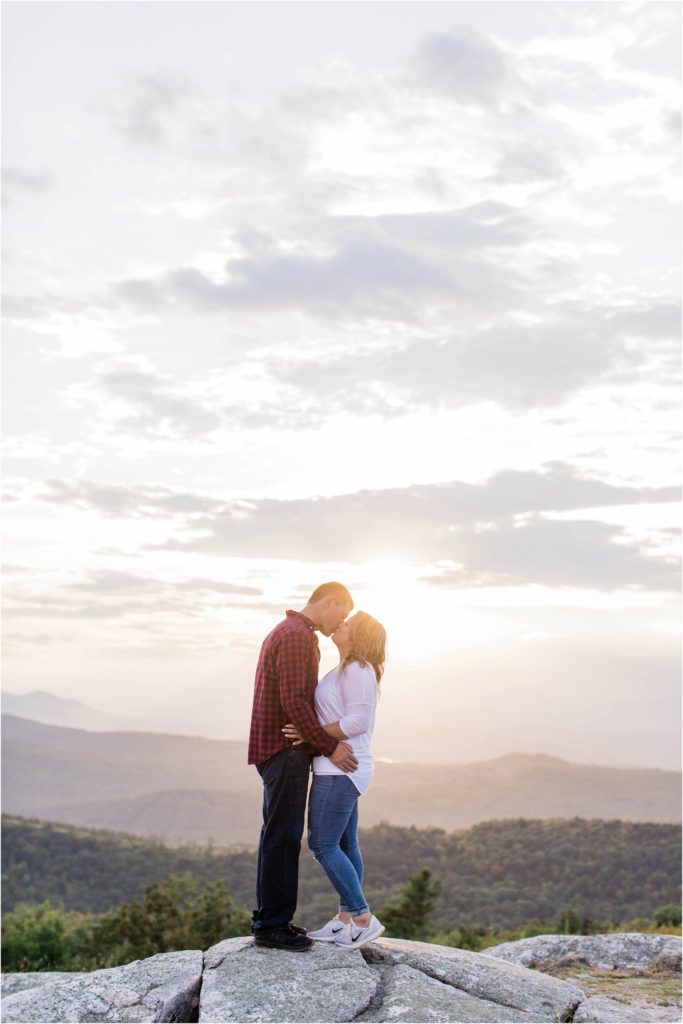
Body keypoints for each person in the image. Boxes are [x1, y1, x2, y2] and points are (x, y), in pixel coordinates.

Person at [248, 582, 357, 952]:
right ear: (328, 603)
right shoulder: (296, 636)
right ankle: (271, 926)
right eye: (340, 614)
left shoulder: (292, 631)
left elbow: (294, 700)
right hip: (285, 750)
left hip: (280, 748)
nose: (339, 623)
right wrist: (329, 746)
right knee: (282, 837)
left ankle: (271, 919)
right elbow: (295, 700)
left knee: (277, 835)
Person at [283, 610, 387, 950]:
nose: (340, 624)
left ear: (358, 637)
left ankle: (362, 918)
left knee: (322, 845)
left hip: (340, 770)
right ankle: (345, 919)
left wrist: (308, 734)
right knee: (344, 845)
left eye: (348, 623)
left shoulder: (357, 668)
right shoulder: (347, 668)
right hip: (341, 769)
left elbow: (357, 721)